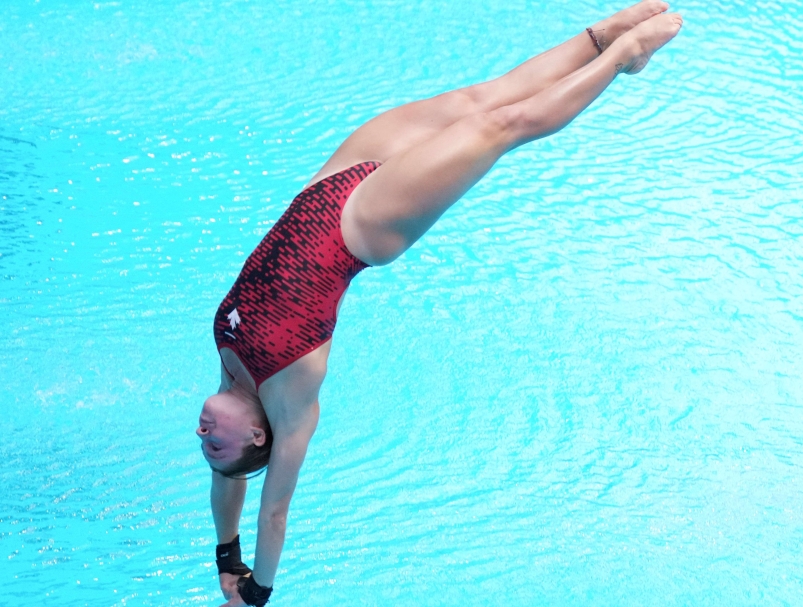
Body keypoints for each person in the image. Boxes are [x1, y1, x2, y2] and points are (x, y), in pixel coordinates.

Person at [196, 3, 682, 605]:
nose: (203, 432)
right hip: (362, 226)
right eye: (217, 442)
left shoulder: (230, 363)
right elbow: (273, 513)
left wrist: (225, 555)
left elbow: (227, 484)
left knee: (482, 98)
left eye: (203, 441)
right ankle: (623, 56)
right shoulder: (290, 401)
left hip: (330, 183)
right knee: (504, 125)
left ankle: (598, 37)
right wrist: (257, 589)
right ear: (260, 438)